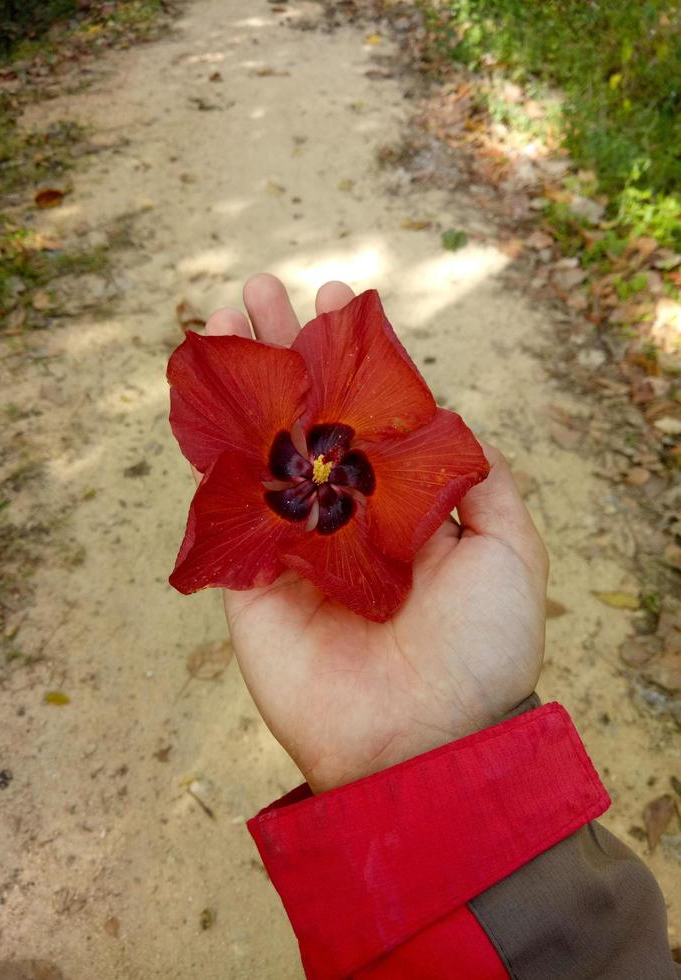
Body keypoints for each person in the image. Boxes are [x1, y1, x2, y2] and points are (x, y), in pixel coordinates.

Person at [198, 274, 680, 979]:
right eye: (320, 461)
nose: (324, 464)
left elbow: (439, 464)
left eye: (329, 460)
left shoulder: (359, 478)